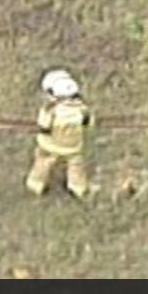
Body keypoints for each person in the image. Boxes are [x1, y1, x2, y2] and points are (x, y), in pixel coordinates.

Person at [26, 69, 93, 199]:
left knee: (43, 162)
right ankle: (78, 187)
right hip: (73, 147)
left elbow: (44, 126)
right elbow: (88, 124)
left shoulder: (52, 111)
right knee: (76, 166)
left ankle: (36, 184)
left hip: (50, 145)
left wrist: (44, 113)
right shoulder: (83, 110)